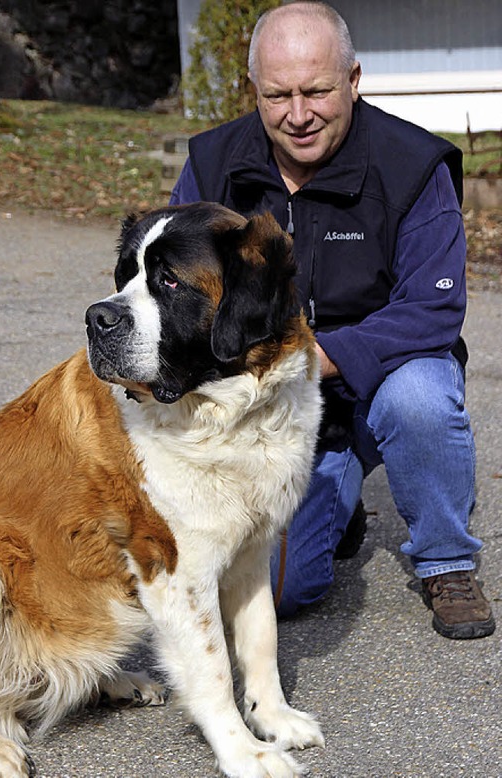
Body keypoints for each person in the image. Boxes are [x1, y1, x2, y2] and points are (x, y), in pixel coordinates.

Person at [170, 0, 496, 639]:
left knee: (421, 399)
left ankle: (446, 560)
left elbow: (432, 309)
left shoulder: (412, 164)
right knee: (281, 593)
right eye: (277, 95)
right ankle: (337, 507)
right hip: (269, 404)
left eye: (317, 91)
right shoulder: (214, 165)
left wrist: (314, 357)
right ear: (254, 91)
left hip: (374, 384)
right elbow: (171, 287)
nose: (298, 115)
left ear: (352, 79)